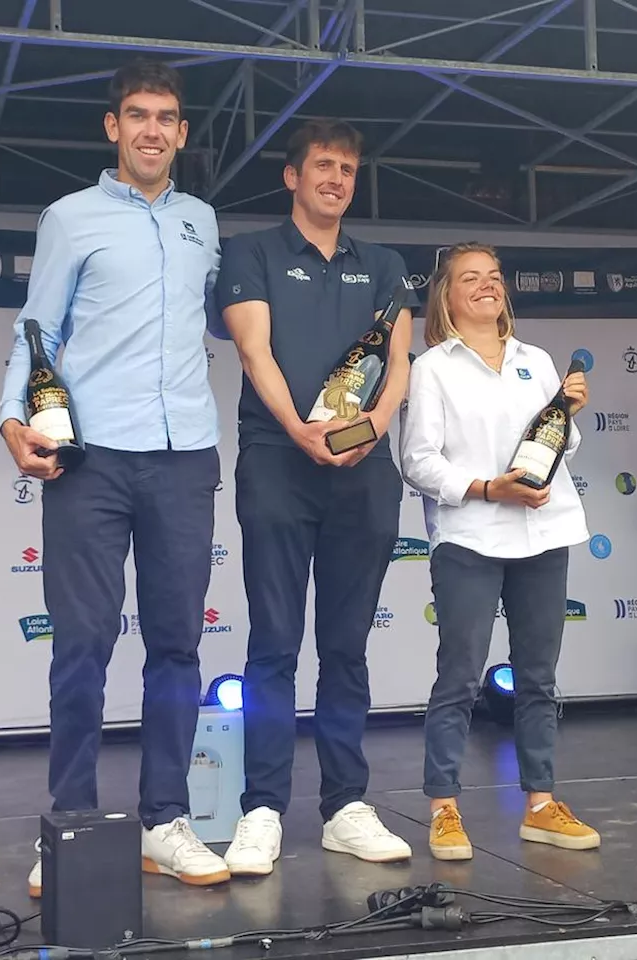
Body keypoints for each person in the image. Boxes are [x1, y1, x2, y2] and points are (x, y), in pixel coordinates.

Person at [0, 57, 230, 894]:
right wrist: (12, 419)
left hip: (184, 457)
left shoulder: (205, 221)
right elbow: (37, 329)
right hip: (89, 457)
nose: (152, 130)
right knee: (84, 644)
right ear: (113, 127)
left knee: (176, 646)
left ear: (182, 132)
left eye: (166, 117)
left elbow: (241, 324)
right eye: (137, 115)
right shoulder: (71, 216)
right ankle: (68, 823)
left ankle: (166, 820)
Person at [212, 119, 414, 875]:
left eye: (348, 170)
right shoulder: (251, 252)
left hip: (365, 466)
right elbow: (254, 349)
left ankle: (344, 806)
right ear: (292, 176)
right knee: (272, 644)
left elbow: (397, 363)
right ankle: (261, 807)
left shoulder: (387, 264)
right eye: (323, 166)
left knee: (346, 646)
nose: (336, 178)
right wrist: (300, 429)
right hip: (278, 460)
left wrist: (376, 424)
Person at [399, 242, 601, 860]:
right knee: (459, 676)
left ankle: (540, 804)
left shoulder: (536, 360)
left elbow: (565, 449)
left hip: (544, 532)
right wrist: (489, 488)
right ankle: (444, 808)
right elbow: (417, 462)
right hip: (472, 535)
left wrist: (569, 414)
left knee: (539, 677)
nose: (487, 285)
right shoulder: (432, 367)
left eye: (494, 277)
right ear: (448, 295)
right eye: (471, 278)